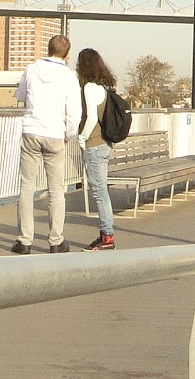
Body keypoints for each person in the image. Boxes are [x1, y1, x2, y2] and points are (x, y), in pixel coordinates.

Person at [12, 35, 81, 254]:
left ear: (48, 49)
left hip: (31, 130)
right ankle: (55, 241)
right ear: (67, 54)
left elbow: (20, 95)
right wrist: (68, 134)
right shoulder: (69, 77)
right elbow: (74, 113)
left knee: (26, 186)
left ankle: (24, 241)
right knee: (56, 189)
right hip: (54, 134)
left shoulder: (31, 69)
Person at [76, 48, 118, 251]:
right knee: (103, 191)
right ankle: (107, 235)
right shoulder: (103, 87)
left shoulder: (89, 88)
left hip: (94, 144)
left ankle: (107, 237)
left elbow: (91, 117)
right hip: (105, 144)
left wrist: (81, 139)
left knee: (100, 192)